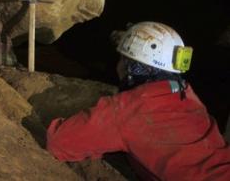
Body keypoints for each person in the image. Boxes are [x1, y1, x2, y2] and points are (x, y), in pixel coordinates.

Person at [47, 22, 230, 180]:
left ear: (130, 66)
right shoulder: (187, 94)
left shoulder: (128, 108)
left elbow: (60, 143)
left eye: (122, 59)